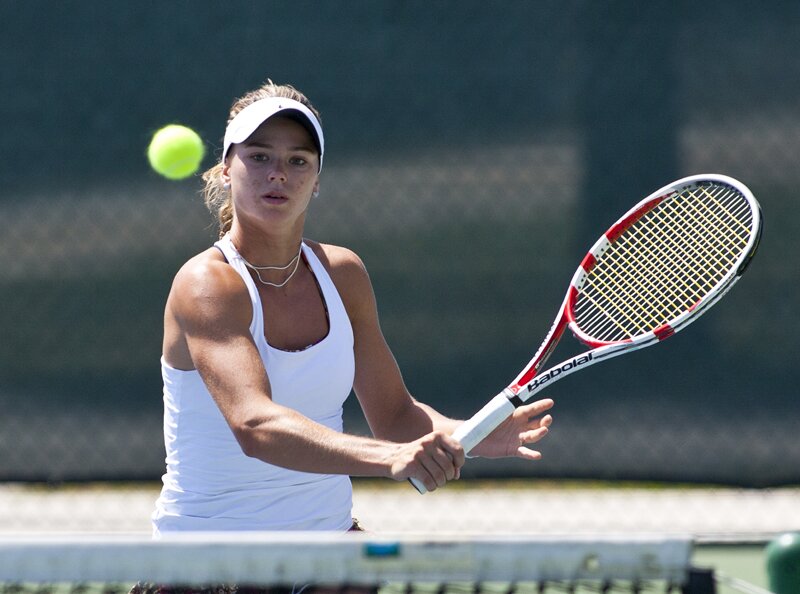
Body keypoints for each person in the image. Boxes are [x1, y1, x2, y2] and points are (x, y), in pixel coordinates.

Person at [151, 79, 554, 535]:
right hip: (213, 563)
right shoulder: (207, 284)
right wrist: (390, 458)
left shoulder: (343, 274)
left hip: (329, 554)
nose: (278, 173)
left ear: (317, 180)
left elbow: (396, 415)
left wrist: (471, 435)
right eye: (259, 156)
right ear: (226, 169)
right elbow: (255, 424)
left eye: (297, 160)